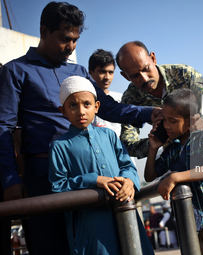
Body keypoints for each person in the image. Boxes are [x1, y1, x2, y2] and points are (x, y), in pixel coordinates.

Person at [0, 2, 160, 255]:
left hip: (96, 175)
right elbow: (3, 128)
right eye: (65, 39)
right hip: (44, 178)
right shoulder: (15, 71)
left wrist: (151, 113)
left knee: (106, 244)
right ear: (44, 31)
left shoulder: (79, 72)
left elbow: (108, 108)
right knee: (52, 246)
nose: (71, 47)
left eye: (75, 39)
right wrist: (9, 179)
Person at [48, 75, 154, 254]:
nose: (81, 111)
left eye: (87, 104)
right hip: (91, 224)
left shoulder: (109, 136)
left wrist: (129, 181)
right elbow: (58, 186)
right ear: (63, 111)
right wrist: (94, 180)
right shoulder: (59, 146)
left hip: (124, 211)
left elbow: (127, 166)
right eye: (73, 105)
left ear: (96, 107)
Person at [144, 88, 203, 255]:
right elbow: (150, 176)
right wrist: (153, 149)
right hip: (191, 223)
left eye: (172, 121)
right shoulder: (172, 149)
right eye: (164, 120)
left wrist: (175, 177)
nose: (166, 126)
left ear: (190, 121)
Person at [116, 41, 203, 158]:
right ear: (125, 76)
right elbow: (128, 145)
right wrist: (157, 139)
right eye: (135, 76)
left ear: (153, 58)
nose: (144, 78)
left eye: (146, 68)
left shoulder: (185, 75)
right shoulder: (131, 98)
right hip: (173, 157)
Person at [89, 49, 123, 135]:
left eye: (111, 72)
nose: (107, 77)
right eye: (102, 72)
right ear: (90, 73)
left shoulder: (120, 99)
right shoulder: (83, 100)